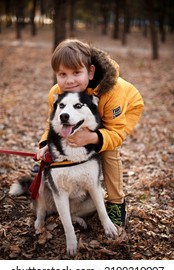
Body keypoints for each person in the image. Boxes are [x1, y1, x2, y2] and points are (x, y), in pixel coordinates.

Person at [35, 38, 144, 228]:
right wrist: (45, 144)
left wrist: (94, 138)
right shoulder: (57, 93)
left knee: (109, 150)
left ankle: (116, 204)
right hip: (86, 114)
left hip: (121, 112)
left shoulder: (111, 91)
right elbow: (51, 125)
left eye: (76, 72)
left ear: (90, 71)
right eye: (62, 74)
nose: (69, 80)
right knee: (68, 136)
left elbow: (116, 132)